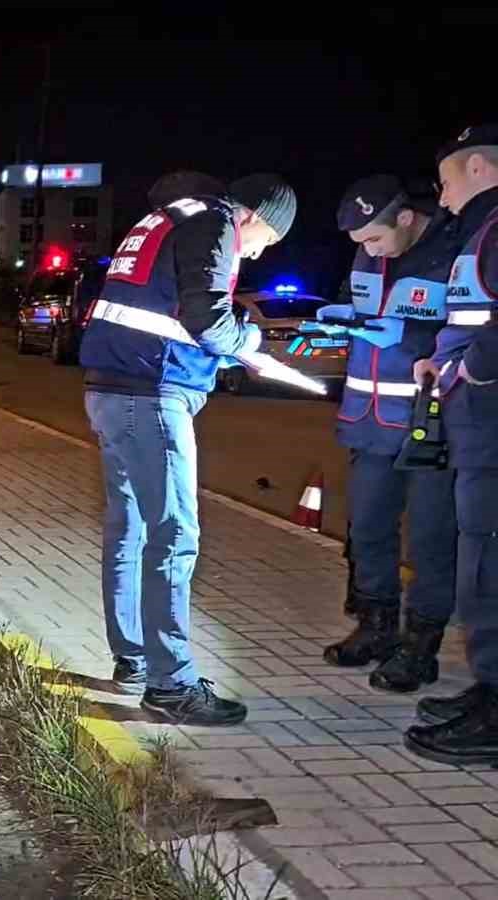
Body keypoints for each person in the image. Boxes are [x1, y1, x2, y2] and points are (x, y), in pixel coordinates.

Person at [79, 174, 296, 726]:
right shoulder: (215, 222)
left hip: (111, 387)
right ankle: (171, 684)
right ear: (252, 216)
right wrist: (248, 344)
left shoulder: (169, 216)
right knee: (175, 535)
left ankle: (133, 658)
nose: (260, 250)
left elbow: (166, 310)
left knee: (127, 528)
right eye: (266, 239)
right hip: (151, 395)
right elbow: (206, 319)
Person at [314, 175, 458, 692]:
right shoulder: (368, 254)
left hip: (427, 423)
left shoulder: (452, 249)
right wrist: (342, 319)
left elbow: (468, 328)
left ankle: (421, 648)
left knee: (429, 540)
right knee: (369, 529)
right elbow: (363, 307)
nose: (368, 251)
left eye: (374, 238)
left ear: (404, 217)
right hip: (368, 419)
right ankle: (376, 628)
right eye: (360, 245)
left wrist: (415, 336)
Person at [405, 125, 498, 765]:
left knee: (491, 563)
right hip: (476, 425)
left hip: (491, 420)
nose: (442, 195)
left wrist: (473, 368)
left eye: (445, 179)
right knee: (480, 561)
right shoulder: (482, 232)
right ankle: (488, 689)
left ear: (475, 167)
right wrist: (443, 360)